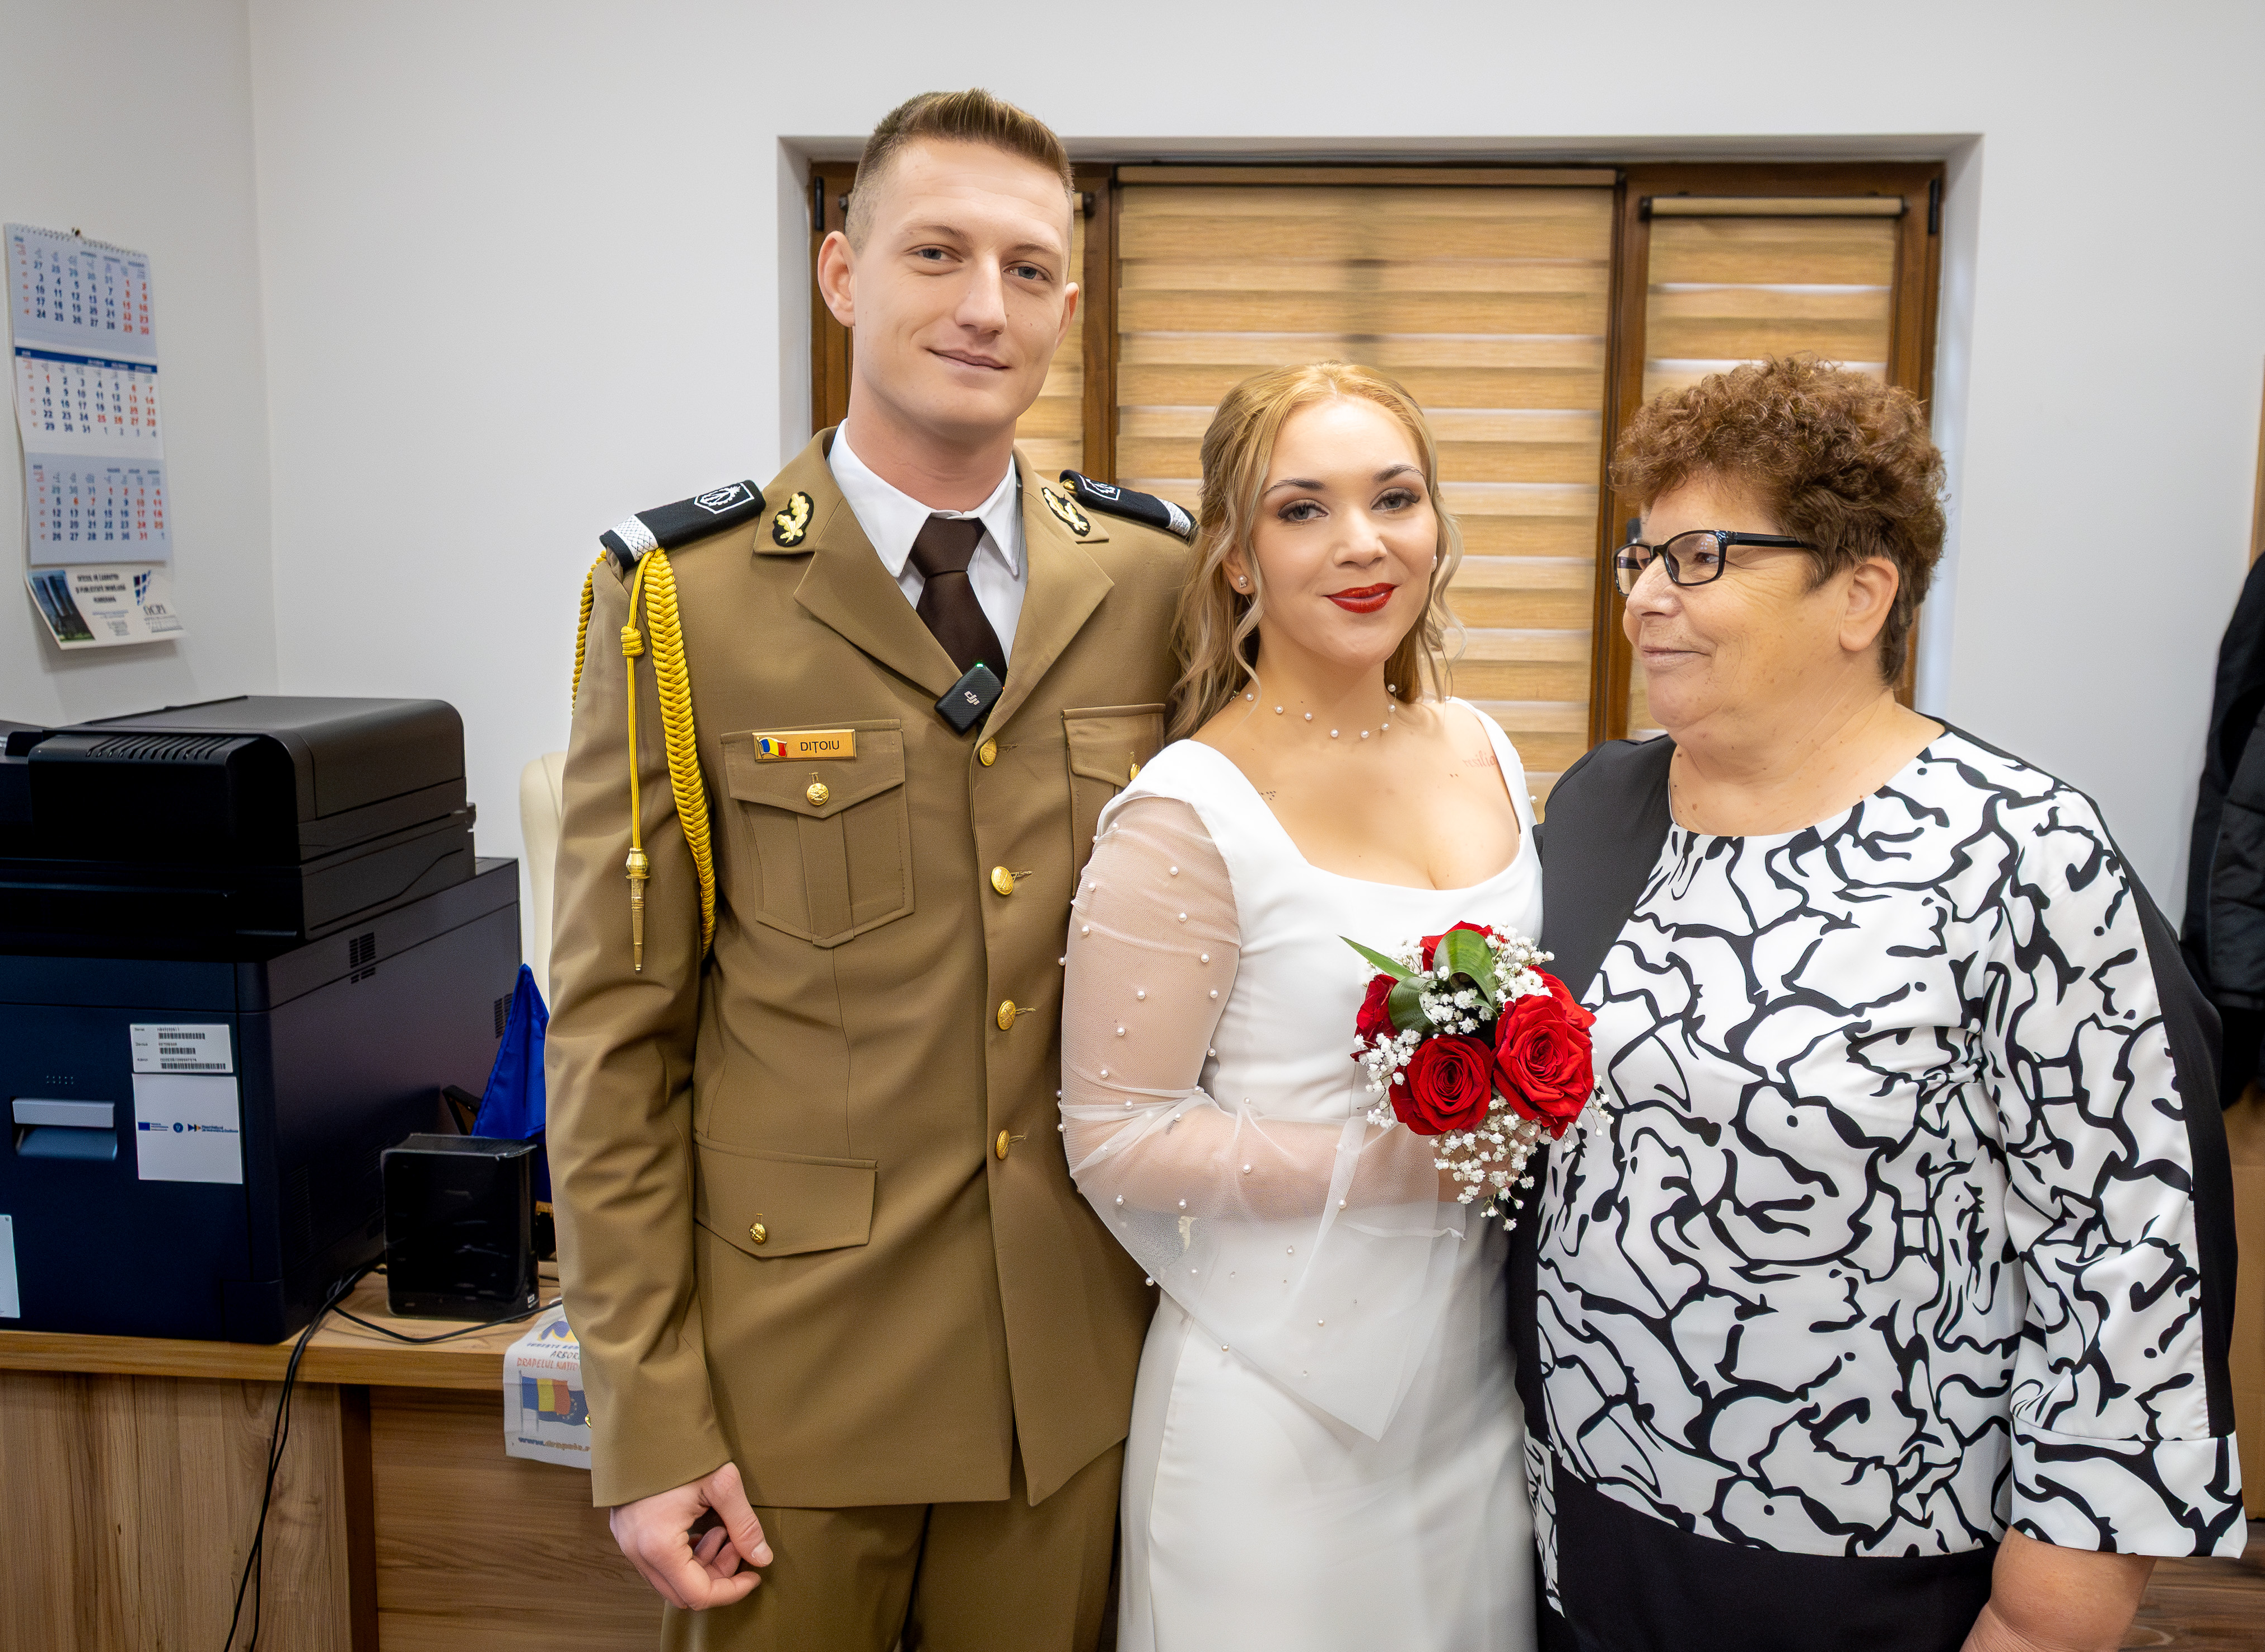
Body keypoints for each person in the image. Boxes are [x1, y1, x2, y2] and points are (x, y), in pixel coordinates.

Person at [544, 88, 1194, 1651]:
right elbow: (615, 1042)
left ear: (1068, 310)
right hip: (789, 1390)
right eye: (936, 253)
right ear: (842, 273)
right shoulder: (682, 599)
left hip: (1069, 1377)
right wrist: (646, 1417)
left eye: (1028, 271)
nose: (984, 306)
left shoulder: (1159, 581)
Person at [1513, 356, 2244, 1652]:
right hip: (1585, 1521)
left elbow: (2129, 1265)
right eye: (1641, 556)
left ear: (1861, 593)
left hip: (1864, 1566)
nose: (1644, 597)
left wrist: (2046, 1620)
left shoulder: (2022, 856)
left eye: (1701, 557)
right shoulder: (1597, 807)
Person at [1057, 361, 1540, 1650]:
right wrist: (1401, 1164)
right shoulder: (1188, 807)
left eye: (1396, 498)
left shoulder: (1486, 748)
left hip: (1472, 1393)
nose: (1363, 542)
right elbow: (1114, 1134)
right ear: (1234, 554)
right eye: (1304, 509)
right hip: (1274, 1409)